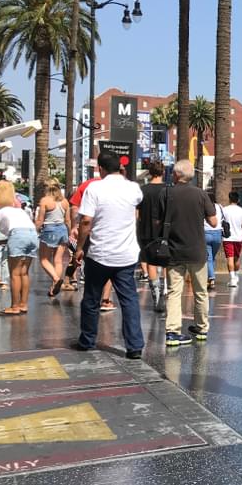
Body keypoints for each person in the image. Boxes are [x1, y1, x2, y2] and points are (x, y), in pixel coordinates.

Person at [70, 151, 145, 358]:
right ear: (120, 168)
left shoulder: (95, 188)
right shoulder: (133, 188)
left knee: (91, 299)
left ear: (100, 169)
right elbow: (137, 202)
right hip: (126, 254)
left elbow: (85, 222)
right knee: (128, 299)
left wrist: (79, 249)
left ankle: (87, 340)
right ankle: (135, 346)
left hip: (99, 253)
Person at [164, 159, 217, 346]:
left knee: (174, 293)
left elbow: (158, 221)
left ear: (177, 175)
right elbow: (214, 222)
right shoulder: (201, 194)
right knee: (201, 292)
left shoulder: (167, 193)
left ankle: (172, 332)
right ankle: (201, 328)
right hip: (197, 251)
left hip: (173, 251)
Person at [0, 180, 39, 316]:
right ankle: (23, 304)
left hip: (17, 235)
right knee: (24, 273)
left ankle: (14, 306)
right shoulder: (18, 210)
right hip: (33, 234)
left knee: (15, 273)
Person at [70, 171, 113, 308]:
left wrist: (74, 226)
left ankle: (91, 297)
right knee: (109, 265)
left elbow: (74, 207)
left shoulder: (86, 185)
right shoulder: (115, 185)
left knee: (91, 264)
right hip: (109, 231)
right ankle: (105, 300)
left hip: (88, 232)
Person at [136, 159, 167, 311]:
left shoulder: (143, 190)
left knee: (151, 263)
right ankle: (166, 291)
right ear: (164, 172)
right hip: (165, 233)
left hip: (146, 232)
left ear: (149, 172)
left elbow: (136, 213)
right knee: (168, 262)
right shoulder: (168, 189)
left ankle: (156, 295)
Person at [34, 179, 72, 297]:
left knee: (44, 259)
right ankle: (53, 287)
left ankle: (56, 279)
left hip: (49, 230)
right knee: (58, 260)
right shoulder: (65, 201)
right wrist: (69, 233)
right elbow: (68, 220)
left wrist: (34, 229)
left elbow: (40, 220)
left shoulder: (44, 201)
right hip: (63, 230)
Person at [222, 190, 242, 287]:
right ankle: (235, 276)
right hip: (239, 237)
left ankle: (232, 279)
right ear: (238, 199)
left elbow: (222, 223)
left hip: (227, 238)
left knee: (230, 258)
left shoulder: (224, 210)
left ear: (229, 199)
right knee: (236, 259)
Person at [204, 197, 224, 291]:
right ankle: (210, 277)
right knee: (212, 257)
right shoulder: (219, 207)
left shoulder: (203, 206)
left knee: (209, 258)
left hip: (206, 233)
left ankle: (211, 278)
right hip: (218, 234)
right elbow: (224, 218)